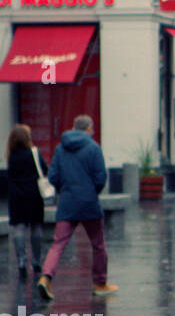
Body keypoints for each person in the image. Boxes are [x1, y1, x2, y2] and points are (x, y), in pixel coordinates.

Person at [37, 115, 111, 300]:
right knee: (98, 245)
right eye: (92, 129)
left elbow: (53, 176)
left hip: (67, 203)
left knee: (58, 244)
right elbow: (101, 177)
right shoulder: (94, 148)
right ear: (88, 129)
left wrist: (66, 189)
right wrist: (91, 192)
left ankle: (46, 278)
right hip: (89, 203)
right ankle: (100, 283)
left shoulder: (61, 148)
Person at [6, 124, 46, 281]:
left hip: (16, 197)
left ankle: (21, 261)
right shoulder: (33, 153)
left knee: (19, 228)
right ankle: (36, 261)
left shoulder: (11, 156)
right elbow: (44, 170)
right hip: (34, 194)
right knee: (36, 226)